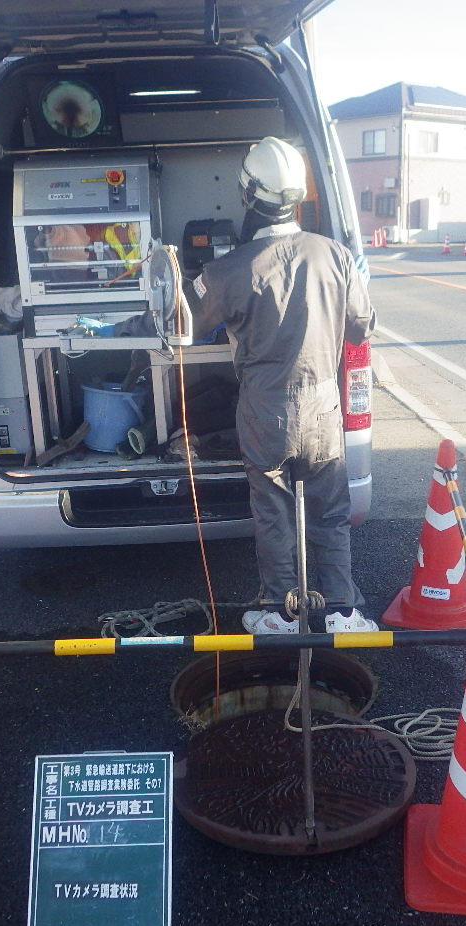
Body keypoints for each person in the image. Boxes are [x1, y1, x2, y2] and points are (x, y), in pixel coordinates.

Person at [191, 137, 376, 634]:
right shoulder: (336, 256)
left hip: (264, 410)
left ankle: (280, 613)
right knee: (329, 511)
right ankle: (341, 611)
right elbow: (362, 327)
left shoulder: (227, 269)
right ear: (298, 197)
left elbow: (185, 326)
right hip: (323, 409)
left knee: (273, 511)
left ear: (248, 195)